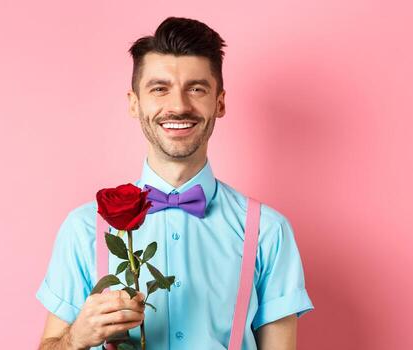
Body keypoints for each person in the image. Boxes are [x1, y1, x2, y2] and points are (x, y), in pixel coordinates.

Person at [36, 17, 314, 350]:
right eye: (159, 88)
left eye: (196, 88)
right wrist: (75, 338)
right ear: (134, 103)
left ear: (220, 102)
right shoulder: (83, 229)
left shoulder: (268, 231)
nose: (179, 105)